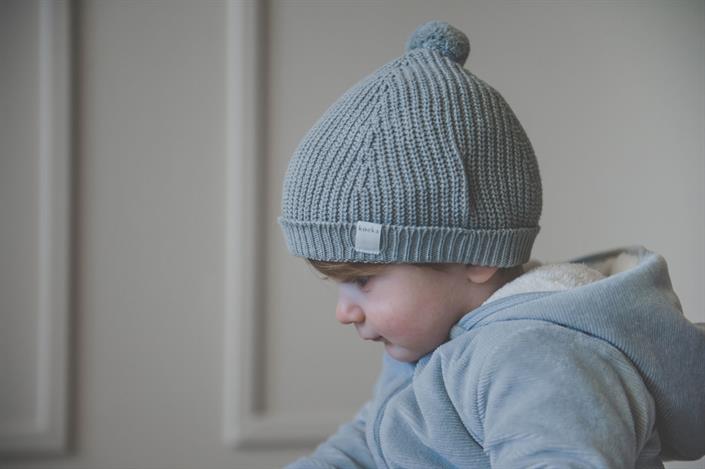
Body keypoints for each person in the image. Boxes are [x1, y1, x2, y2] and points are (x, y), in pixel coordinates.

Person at [277, 20, 705, 468]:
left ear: (475, 257)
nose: (344, 312)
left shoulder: (533, 358)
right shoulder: (427, 342)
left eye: (363, 279)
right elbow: (369, 443)